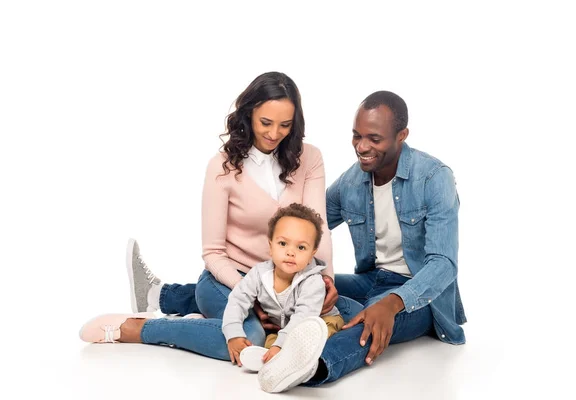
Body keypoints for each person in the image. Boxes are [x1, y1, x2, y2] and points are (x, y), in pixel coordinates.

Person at [79, 72, 362, 362]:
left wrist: (325, 279)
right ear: (249, 114)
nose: (274, 133)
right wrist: (253, 297)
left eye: (285, 125)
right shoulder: (222, 168)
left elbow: (319, 226)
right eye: (266, 122)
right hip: (232, 279)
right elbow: (213, 253)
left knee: (355, 316)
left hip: (291, 281)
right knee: (251, 336)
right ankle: (141, 328)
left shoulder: (309, 158)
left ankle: (171, 301)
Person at [255, 90, 467, 393]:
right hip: (371, 280)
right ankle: (173, 296)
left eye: (374, 139)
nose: (362, 147)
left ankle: (311, 366)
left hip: (419, 296)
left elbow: (444, 264)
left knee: (369, 320)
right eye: (357, 136)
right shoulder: (352, 181)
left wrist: (392, 304)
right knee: (301, 286)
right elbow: (307, 228)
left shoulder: (433, 178)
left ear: (402, 135)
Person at [222, 203, 344, 371]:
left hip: (319, 322)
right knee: (269, 346)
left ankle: (303, 366)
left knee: (319, 338)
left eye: (301, 247)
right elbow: (238, 300)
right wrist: (233, 333)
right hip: (283, 329)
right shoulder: (259, 274)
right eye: (282, 244)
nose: (290, 252)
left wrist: (281, 344)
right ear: (270, 246)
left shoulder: (313, 281)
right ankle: (277, 367)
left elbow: (303, 318)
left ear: (312, 253)